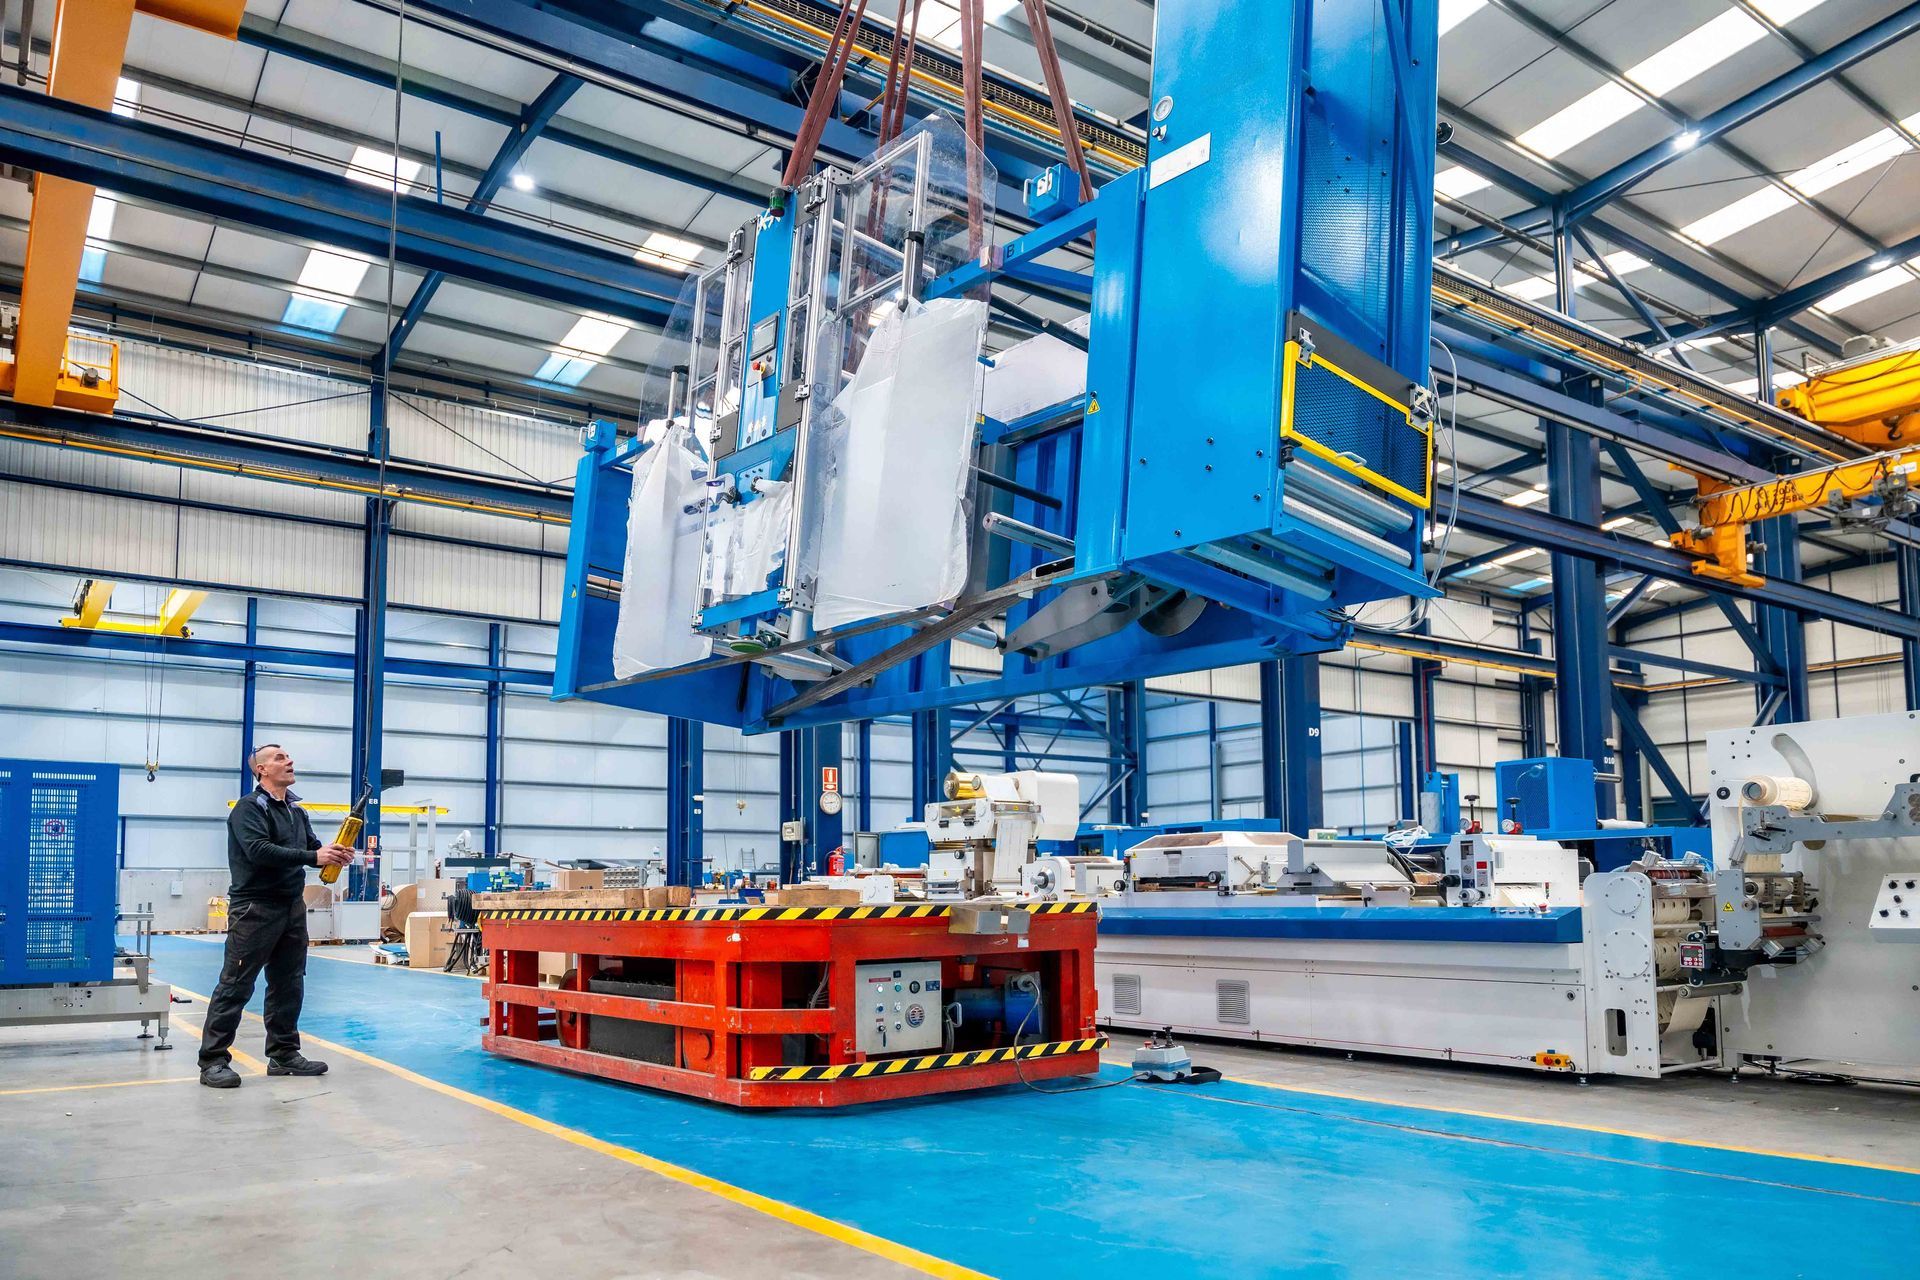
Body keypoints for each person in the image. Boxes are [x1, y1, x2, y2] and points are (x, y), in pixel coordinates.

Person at [198, 744, 354, 1089]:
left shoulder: (296, 812)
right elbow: (259, 851)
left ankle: (283, 1053)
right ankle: (212, 1060)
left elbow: (310, 847)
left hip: (291, 906)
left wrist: (335, 854)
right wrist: (314, 856)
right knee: (235, 985)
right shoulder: (248, 808)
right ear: (262, 770)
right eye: (280, 758)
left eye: (288, 756)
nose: (290, 761)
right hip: (254, 908)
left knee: (289, 982)